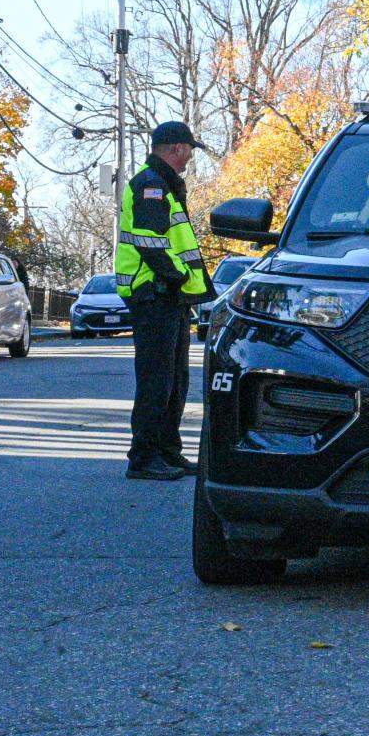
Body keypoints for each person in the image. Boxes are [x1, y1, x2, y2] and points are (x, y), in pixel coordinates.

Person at [120, 121, 212, 481]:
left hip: (169, 298)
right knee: (156, 381)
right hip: (154, 294)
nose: (190, 156)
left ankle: (168, 452)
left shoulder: (165, 185)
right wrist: (175, 279)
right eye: (189, 149)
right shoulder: (151, 185)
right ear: (176, 148)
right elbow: (149, 242)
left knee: (174, 381)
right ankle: (143, 458)